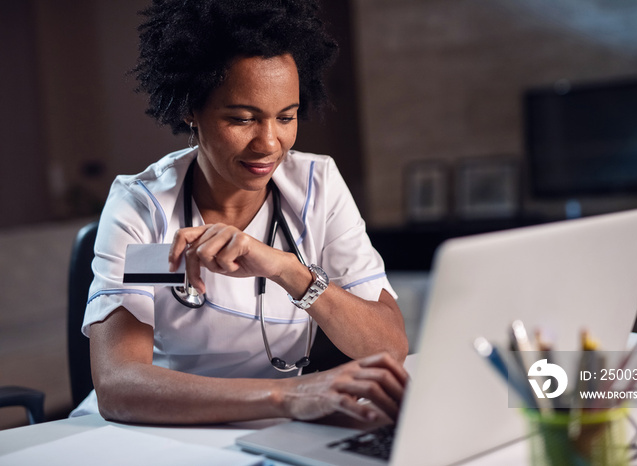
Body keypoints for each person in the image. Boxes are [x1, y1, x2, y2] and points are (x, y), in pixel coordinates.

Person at [72, 0, 409, 425]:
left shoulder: (314, 187)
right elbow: (120, 386)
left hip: (269, 427)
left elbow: (388, 346)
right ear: (190, 111)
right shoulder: (148, 209)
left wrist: (289, 270)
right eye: (243, 119)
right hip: (150, 431)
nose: (269, 143)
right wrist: (287, 394)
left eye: (286, 117)